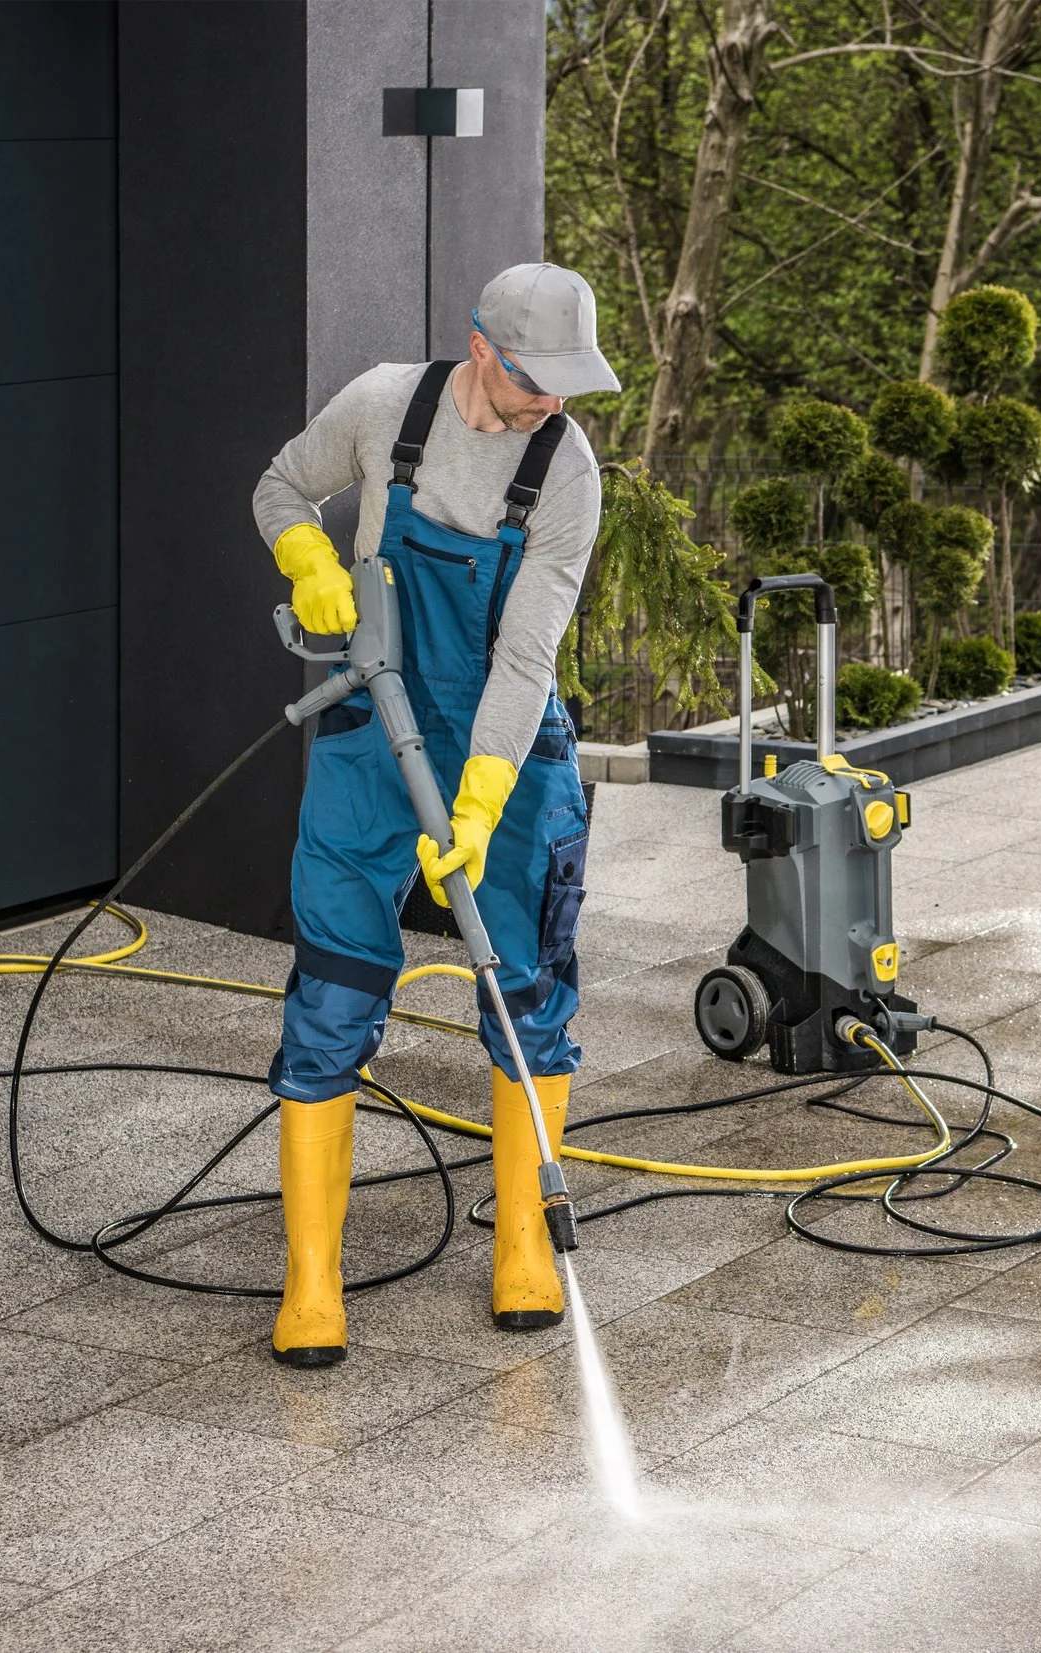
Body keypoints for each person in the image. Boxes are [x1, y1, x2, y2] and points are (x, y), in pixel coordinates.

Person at [249, 263, 619, 1366]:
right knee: (333, 981)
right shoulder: (381, 406)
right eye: (534, 379)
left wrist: (484, 791)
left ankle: (520, 1244)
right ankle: (312, 1281)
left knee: (530, 987)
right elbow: (279, 483)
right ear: (483, 351)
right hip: (373, 732)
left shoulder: (568, 470)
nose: (553, 401)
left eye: (567, 383)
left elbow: (527, 651)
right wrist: (308, 550)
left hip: (507, 737)